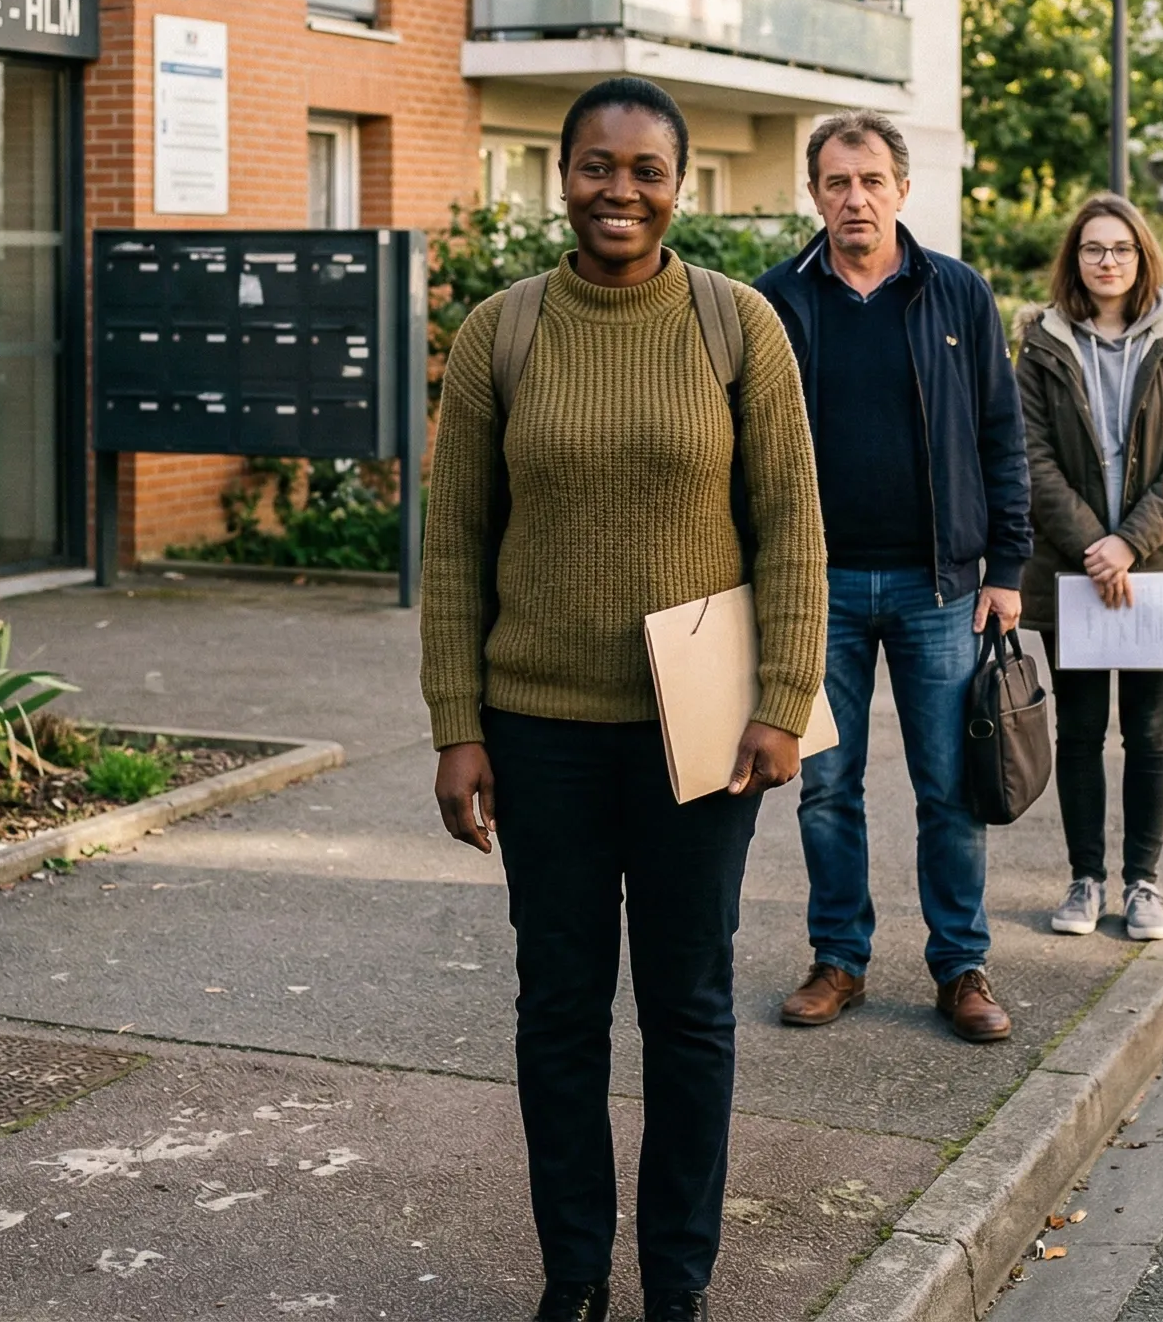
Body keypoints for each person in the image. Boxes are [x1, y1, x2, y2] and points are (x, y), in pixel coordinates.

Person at [419, 77, 828, 1322]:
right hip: (540, 729)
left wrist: (782, 693)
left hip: (694, 734)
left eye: (645, 169)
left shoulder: (736, 324)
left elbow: (791, 523)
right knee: (557, 1010)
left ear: (678, 184)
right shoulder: (503, 331)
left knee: (689, 1007)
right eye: (596, 165)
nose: (620, 190)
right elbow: (454, 544)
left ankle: (678, 1280)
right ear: (560, 176)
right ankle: (575, 1274)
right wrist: (456, 723)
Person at [754, 113, 1032, 1045]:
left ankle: (961, 967)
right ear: (815, 194)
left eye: (870, 180)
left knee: (948, 786)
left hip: (940, 587)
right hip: (816, 588)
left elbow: (1001, 433)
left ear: (902, 190)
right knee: (827, 784)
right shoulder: (777, 301)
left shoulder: (956, 293)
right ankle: (840, 959)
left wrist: (1009, 564)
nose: (854, 199)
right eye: (836, 182)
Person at [1017, 195, 1163, 944]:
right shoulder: (1041, 343)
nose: (1107, 261)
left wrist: (1127, 543)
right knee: (1079, 731)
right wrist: (1091, 546)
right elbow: (1029, 457)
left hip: (1155, 567)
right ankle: (1084, 880)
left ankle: (1142, 885)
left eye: (1121, 249)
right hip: (1073, 571)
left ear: (1142, 259)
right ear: (1075, 259)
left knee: (1150, 732)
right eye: (1094, 248)